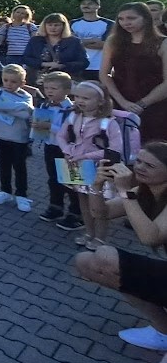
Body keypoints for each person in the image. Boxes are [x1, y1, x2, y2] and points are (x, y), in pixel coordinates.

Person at [75, 142, 167, 356]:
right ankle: (163, 330)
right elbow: (101, 213)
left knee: (106, 257)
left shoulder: (136, 192)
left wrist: (125, 191)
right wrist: (97, 185)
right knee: (86, 262)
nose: (140, 167)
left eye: (150, 166)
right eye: (139, 161)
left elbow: (149, 237)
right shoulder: (144, 191)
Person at [59, 81, 122, 252]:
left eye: (86, 98)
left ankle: (100, 237)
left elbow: (114, 149)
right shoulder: (73, 116)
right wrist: (67, 150)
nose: (80, 101)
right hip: (76, 163)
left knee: (99, 205)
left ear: (101, 101)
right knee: (83, 201)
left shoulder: (109, 123)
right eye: (77, 97)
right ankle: (89, 232)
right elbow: (61, 136)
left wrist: (85, 156)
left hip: (98, 168)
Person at [102, 2, 167, 145]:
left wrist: (142, 104)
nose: (126, 22)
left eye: (131, 18)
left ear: (146, 18)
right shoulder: (113, 41)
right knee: (118, 146)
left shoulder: (163, 43)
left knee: (151, 147)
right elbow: (104, 74)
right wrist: (122, 102)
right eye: (121, 19)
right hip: (119, 102)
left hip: (155, 105)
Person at [34, 72, 80, 230]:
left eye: (54, 88)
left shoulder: (73, 110)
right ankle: (56, 206)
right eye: (46, 88)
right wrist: (36, 127)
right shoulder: (45, 105)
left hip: (68, 150)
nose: (49, 91)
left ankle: (76, 213)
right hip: (51, 147)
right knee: (53, 178)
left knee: (72, 180)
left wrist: (49, 127)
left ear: (67, 90)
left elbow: (71, 132)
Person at [0, 64, 35, 213]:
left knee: (19, 166)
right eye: (6, 80)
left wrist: (4, 107)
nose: (8, 84)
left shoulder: (26, 96)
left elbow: (26, 114)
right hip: (1, 135)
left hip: (19, 137)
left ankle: (21, 194)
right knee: (4, 164)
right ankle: (5, 191)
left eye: (13, 81)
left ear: (22, 83)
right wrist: (19, 107)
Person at [23, 13, 89, 87]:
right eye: (50, 25)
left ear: (63, 26)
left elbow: (84, 62)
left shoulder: (74, 42)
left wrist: (63, 65)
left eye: (56, 25)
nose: (53, 28)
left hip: (65, 80)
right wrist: (44, 64)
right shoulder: (35, 40)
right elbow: (26, 58)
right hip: (38, 80)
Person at [70, 0, 113, 82]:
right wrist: (93, 40)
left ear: (98, 6)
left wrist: (79, 41)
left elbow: (105, 45)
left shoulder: (109, 24)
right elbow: (70, 44)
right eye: (83, 3)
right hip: (77, 65)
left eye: (90, 3)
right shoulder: (72, 23)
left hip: (100, 66)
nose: (86, 5)